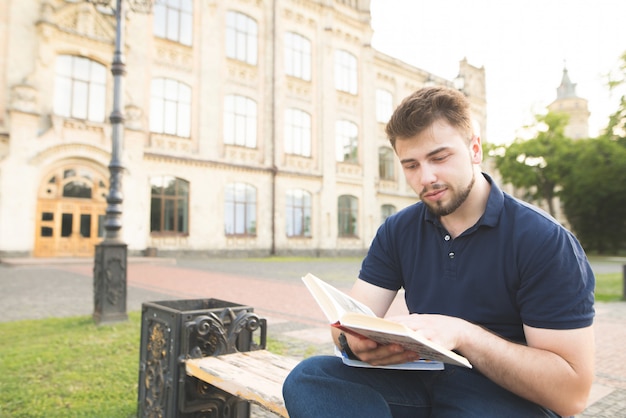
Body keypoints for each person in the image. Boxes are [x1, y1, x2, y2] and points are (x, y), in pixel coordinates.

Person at [282, 86, 595, 418]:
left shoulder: (543, 240)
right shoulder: (398, 230)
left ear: (475, 149)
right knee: (311, 377)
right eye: (411, 165)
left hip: (506, 397)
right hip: (423, 379)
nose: (426, 177)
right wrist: (353, 343)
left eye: (439, 157)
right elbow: (350, 320)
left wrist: (464, 335)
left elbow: (571, 395)